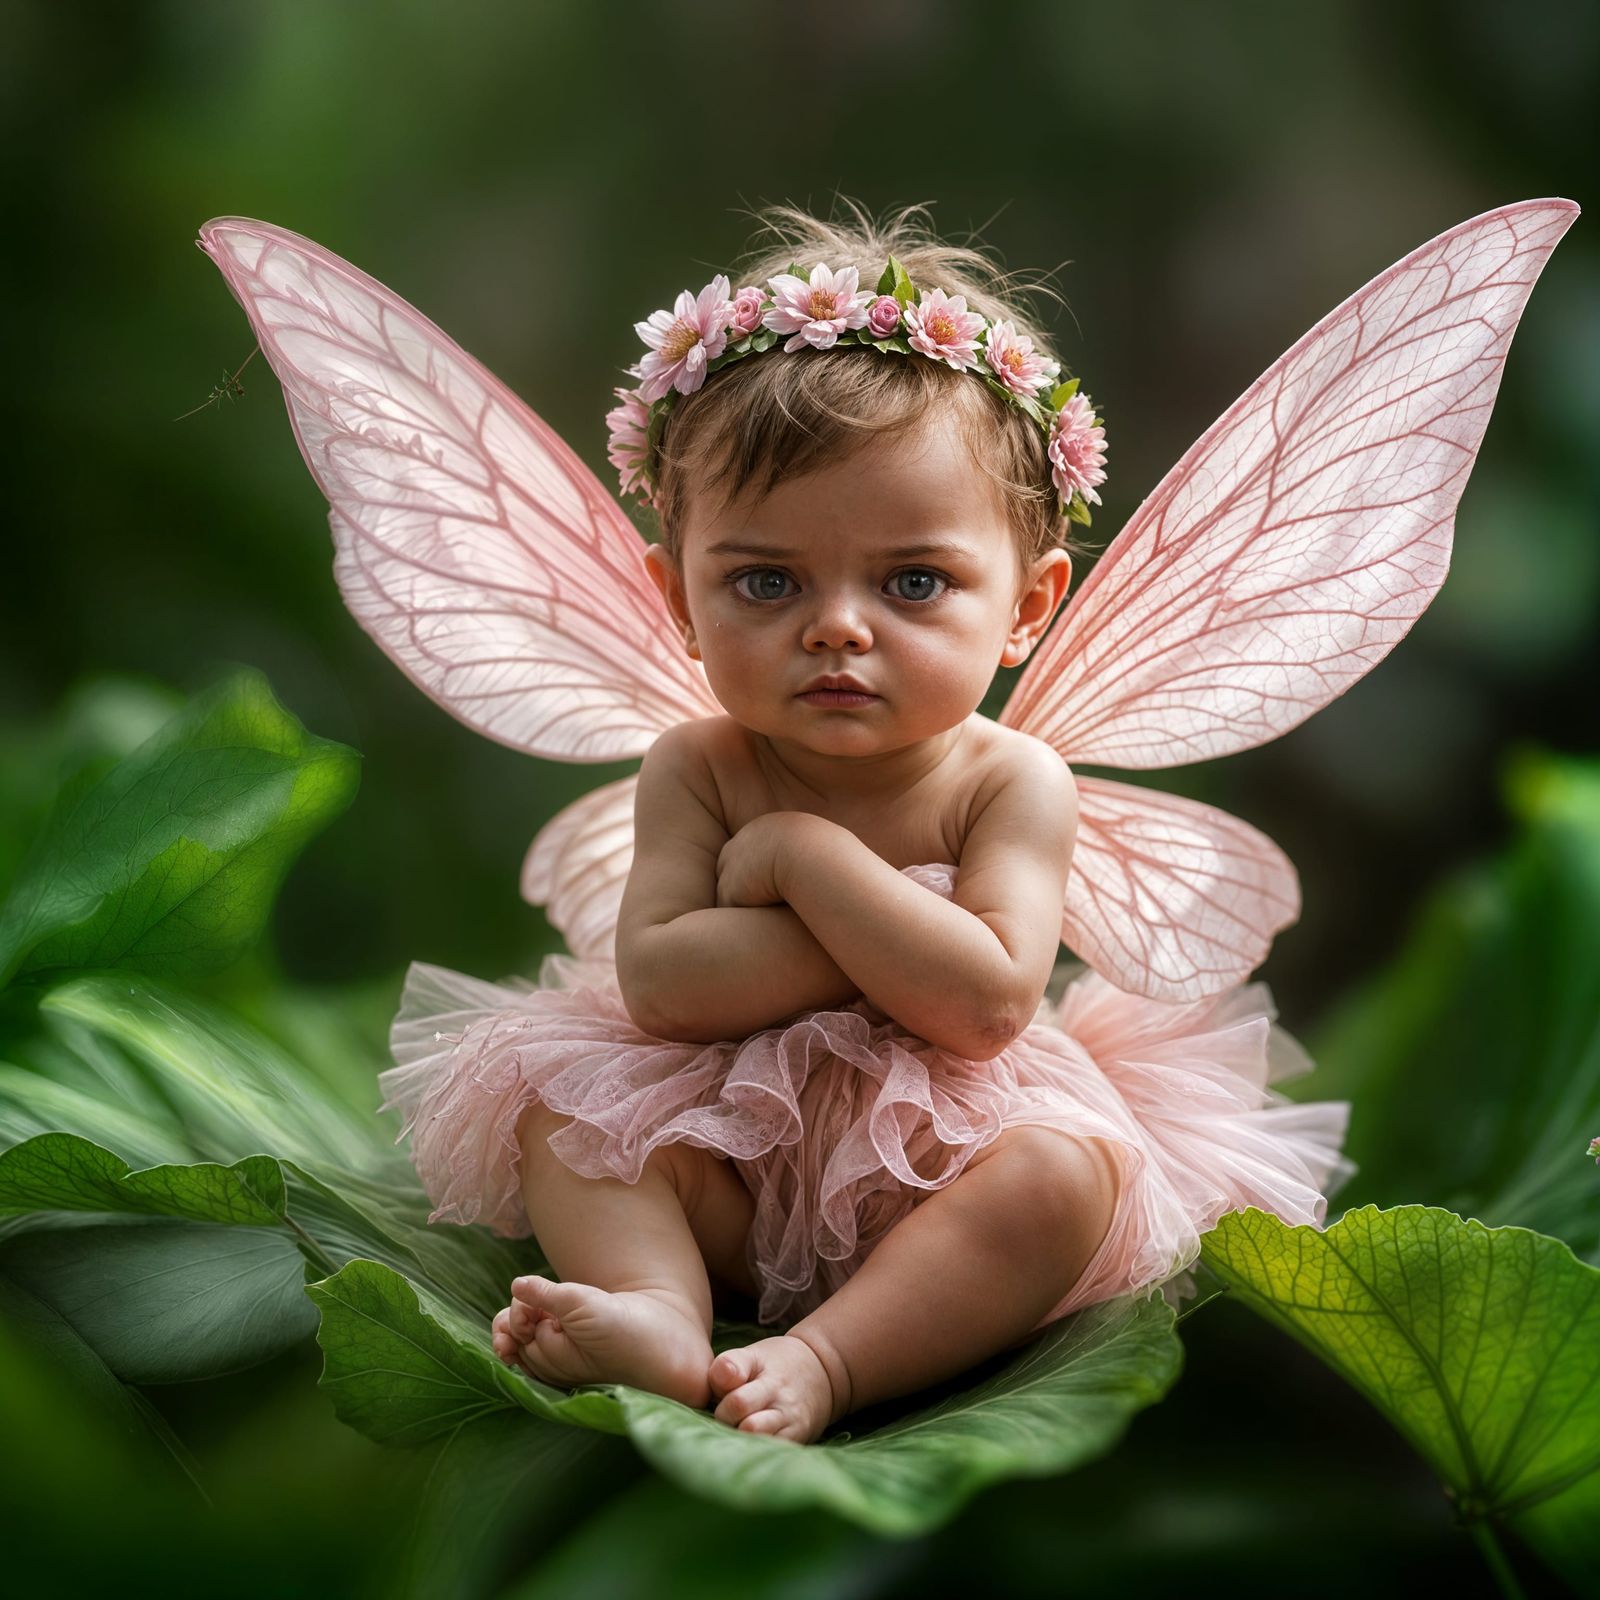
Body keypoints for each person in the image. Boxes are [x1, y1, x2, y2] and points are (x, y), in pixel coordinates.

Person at [197, 194, 1577, 1445]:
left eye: (914, 585)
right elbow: (668, 990)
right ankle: (662, 1315)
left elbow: (983, 1009)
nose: (839, 631)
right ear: (676, 596)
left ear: (1027, 607)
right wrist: (894, 937)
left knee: (1064, 1181)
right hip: (725, 1152)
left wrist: (802, 863)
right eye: (765, 584)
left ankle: (836, 1362)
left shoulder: (1005, 782)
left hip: (951, 1167)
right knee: (567, 1113)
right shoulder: (699, 762)